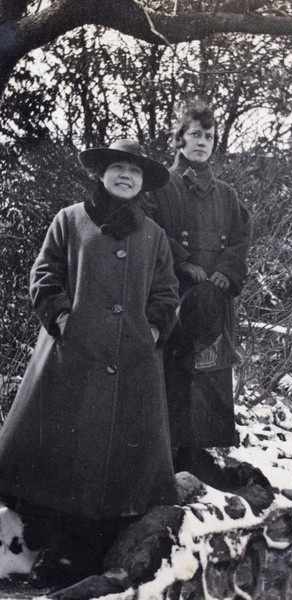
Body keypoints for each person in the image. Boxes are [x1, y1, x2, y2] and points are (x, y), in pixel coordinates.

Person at [0, 139, 179, 586]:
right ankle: (46, 549)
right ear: (101, 174)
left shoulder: (154, 235)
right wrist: (62, 316)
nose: (126, 176)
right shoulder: (70, 220)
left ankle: (90, 552)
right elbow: (44, 274)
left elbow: (166, 292)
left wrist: (154, 330)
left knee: (116, 466)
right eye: (118, 167)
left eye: (135, 172)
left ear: (143, 184)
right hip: (70, 360)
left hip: (132, 364)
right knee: (62, 455)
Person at [147, 100, 251, 473]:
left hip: (214, 300)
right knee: (173, 370)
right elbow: (150, 229)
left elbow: (240, 238)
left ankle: (203, 453)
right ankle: (170, 455)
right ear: (179, 139)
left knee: (211, 371)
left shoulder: (226, 194)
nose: (201, 142)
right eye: (194, 134)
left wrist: (228, 269)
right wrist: (181, 260)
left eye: (208, 136)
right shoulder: (161, 185)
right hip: (174, 294)